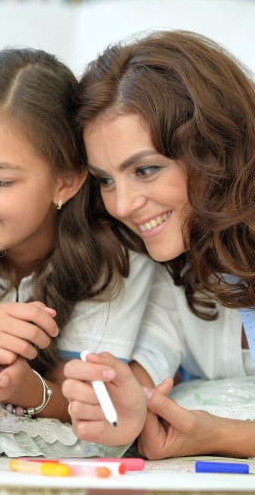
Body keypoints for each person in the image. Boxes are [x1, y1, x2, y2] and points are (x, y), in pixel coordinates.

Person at [0, 49, 156, 427]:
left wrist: (20, 387)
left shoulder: (118, 253)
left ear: (66, 182)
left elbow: (87, 403)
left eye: (0, 179)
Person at [63, 30, 255, 458]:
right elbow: (156, 349)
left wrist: (222, 435)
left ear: (216, 150)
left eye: (146, 170)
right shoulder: (179, 258)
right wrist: (124, 406)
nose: (124, 204)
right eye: (106, 180)